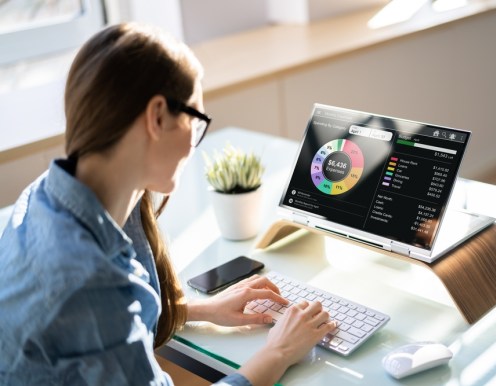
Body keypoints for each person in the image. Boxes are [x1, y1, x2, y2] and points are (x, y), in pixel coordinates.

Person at [0, 23, 336, 386]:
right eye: (196, 123)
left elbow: (95, 331)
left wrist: (196, 310)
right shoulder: (87, 281)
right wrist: (278, 352)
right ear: (157, 116)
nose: (194, 145)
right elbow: (96, 311)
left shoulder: (49, 195)